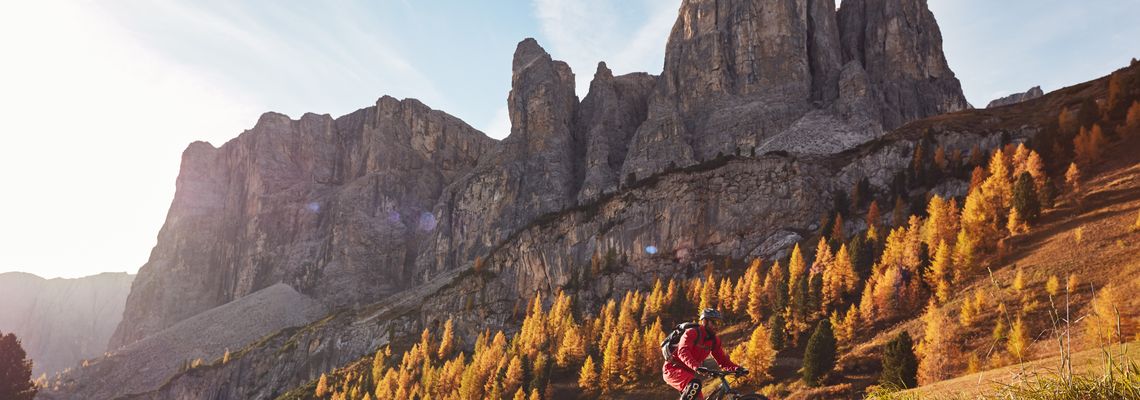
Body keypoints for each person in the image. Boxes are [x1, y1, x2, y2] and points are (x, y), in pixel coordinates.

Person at [662, 308, 747, 400]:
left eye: (719, 323)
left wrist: (737, 368)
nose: (717, 326)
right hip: (673, 369)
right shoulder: (692, 333)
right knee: (695, 384)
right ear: (704, 321)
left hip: (689, 373)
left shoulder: (714, 341)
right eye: (714, 322)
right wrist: (696, 366)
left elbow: (723, 361)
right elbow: (683, 352)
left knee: (697, 390)